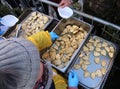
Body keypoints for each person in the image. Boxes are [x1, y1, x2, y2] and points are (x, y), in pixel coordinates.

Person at [0, 30, 79, 89]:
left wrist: (46, 37)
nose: (45, 65)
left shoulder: (16, 54)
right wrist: (72, 87)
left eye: (39, 60)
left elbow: (31, 43)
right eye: (43, 76)